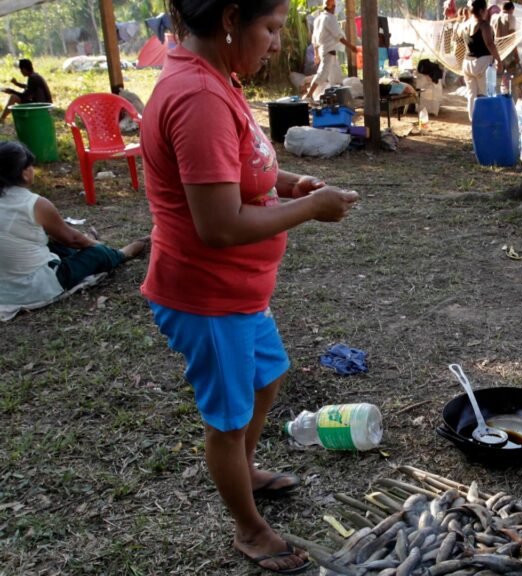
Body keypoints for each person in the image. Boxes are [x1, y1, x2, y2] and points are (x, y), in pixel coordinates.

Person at [142, 1, 359, 573]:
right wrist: (311, 208)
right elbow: (219, 225)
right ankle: (249, 528)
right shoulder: (199, 98)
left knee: (269, 377)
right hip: (207, 296)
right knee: (227, 418)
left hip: (239, 293)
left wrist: (290, 183)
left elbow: (245, 167)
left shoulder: (219, 77)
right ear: (232, 17)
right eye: (269, 28)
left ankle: (245, 466)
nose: (274, 41)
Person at [0, 141, 149, 307]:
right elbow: (72, 239)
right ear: (25, 173)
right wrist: (95, 244)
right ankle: (121, 253)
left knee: (53, 245)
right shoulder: (34, 204)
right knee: (95, 253)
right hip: (33, 289)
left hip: (3, 290)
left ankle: (91, 248)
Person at [303, 0, 357, 102]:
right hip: (328, 51)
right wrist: (351, 47)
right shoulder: (330, 18)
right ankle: (308, 95)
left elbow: (314, 40)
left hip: (326, 51)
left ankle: (338, 98)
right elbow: (339, 36)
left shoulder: (318, 19)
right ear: (333, 7)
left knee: (336, 78)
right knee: (322, 74)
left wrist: (316, 54)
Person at [460, 0, 502, 119]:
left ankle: (474, 123)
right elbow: (489, 43)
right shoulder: (484, 25)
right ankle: (484, 123)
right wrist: (499, 60)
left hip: (467, 62)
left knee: (471, 95)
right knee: (486, 94)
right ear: (482, 10)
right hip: (483, 62)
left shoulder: (465, 25)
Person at [1, 59, 53, 123]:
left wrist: (12, 91)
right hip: (43, 104)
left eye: (21, 70)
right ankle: (2, 118)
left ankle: (2, 119)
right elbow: (28, 87)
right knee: (15, 96)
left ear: (24, 69)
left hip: (41, 106)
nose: (21, 72)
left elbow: (25, 96)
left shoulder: (32, 78)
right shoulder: (35, 75)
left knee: (13, 97)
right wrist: (16, 83)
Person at [491, 1, 520, 98]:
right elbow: (512, 37)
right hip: (508, 51)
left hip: (497, 51)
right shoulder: (510, 17)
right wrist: (516, 54)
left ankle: (497, 99)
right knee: (513, 79)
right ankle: (513, 101)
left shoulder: (494, 18)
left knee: (498, 79)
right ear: (512, 9)